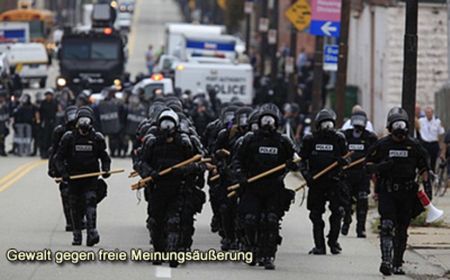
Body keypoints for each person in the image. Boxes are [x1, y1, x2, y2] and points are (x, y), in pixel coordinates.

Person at [134, 108, 202, 267]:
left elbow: (198, 164)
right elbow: (140, 163)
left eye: (169, 124)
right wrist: (151, 173)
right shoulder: (152, 142)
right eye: (164, 123)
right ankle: (158, 251)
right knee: (155, 221)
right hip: (158, 187)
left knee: (174, 220)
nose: (167, 127)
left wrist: (183, 171)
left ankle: (173, 252)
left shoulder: (184, 142)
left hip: (178, 188)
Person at [366, 107, 429, 276]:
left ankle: (397, 263)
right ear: (390, 127)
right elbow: (367, 165)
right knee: (387, 226)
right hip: (388, 192)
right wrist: (380, 167)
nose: (399, 129)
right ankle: (386, 261)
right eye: (396, 125)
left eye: (402, 125)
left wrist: (428, 191)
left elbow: (424, 169)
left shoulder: (414, 146)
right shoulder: (382, 145)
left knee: (402, 229)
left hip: (407, 193)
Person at [234, 103, 297, 270]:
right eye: (265, 120)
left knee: (271, 220)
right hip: (252, 186)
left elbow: (296, 160)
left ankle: (268, 254)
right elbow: (237, 160)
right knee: (250, 219)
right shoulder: (249, 140)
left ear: (276, 123)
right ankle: (251, 247)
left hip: (274, 188)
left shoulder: (283, 141)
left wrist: (292, 164)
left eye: (271, 121)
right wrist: (240, 176)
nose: (268, 124)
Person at [55, 106, 111, 246]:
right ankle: (77, 234)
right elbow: (58, 158)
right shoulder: (69, 138)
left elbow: (105, 157)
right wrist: (64, 173)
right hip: (74, 178)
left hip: (90, 178)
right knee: (74, 206)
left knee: (90, 202)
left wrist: (106, 169)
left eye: (87, 121)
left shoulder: (97, 138)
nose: (84, 125)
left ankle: (92, 232)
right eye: (81, 121)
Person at [299, 108, 349, 255]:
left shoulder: (339, 139)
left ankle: (333, 242)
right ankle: (319, 245)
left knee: (338, 212)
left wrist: (342, 161)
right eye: (324, 124)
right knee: (315, 214)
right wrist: (306, 175)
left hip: (334, 181)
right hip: (316, 182)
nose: (327, 127)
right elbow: (302, 160)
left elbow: (348, 158)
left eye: (329, 124)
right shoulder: (310, 139)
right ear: (318, 125)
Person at [341, 111, 378, 238]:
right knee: (346, 201)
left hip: (362, 174)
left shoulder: (370, 137)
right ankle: (346, 222)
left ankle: (360, 228)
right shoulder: (346, 135)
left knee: (362, 200)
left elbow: (375, 154)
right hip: (347, 173)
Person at [48, 106, 78, 231]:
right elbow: (53, 151)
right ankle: (70, 221)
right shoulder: (60, 131)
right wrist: (52, 168)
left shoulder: (86, 130)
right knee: (66, 194)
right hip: (64, 166)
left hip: (81, 166)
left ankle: (81, 218)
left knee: (84, 194)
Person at [418, 106, 445, 171]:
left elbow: (441, 133)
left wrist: (440, 145)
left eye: (430, 112)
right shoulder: (421, 121)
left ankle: (432, 174)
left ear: (432, 113)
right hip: (425, 143)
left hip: (433, 143)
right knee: (424, 161)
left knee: (433, 161)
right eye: (427, 112)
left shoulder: (437, 121)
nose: (428, 114)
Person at [37, 89, 58, 159]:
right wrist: (39, 120)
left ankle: (51, 153)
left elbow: (58, 111)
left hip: (52, 122)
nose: (48, 97)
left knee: (51, 138)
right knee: (44, 138)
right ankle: (43, 153)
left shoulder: (54, 103)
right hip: (45, 122)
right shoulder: (43, 103)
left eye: (49, 95)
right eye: (47, 95)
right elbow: (39, 112)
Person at [0, 91, 10, 156]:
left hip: (2, 124)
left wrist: (4, 118)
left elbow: (8, 114)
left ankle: (2, 150)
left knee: (2, 137)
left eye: (2, 97)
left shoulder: (5, 105)